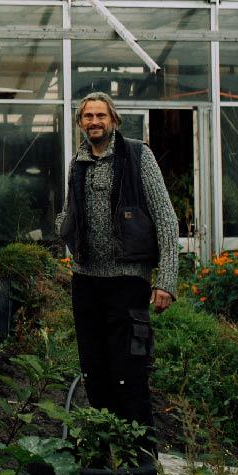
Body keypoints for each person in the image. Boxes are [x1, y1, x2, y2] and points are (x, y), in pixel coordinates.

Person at [56, 91, 179, 455]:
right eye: (88, 116)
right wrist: (65, 228)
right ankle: (108, 462)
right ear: (81, 123)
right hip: (87, 281)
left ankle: (141, 467)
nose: (94, 122)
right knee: (95, 373)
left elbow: (166, 219)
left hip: (128, 280)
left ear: (114, 121)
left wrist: (166, 281)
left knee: (129, 373)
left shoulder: (138, 155)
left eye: (101, 116)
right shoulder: (77, 162)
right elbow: (69, 210)